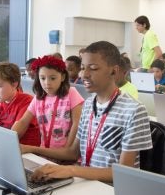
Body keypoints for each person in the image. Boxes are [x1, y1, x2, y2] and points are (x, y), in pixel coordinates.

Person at [21, 41, 152, 183]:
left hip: (112, 190)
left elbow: (125, 172)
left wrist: (70, 170)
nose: (84, 75)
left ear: (114, 71)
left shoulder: (133, 110)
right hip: (85, 182)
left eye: (93, 68)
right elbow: (72, 153)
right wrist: (32, 150)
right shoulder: (89, 104)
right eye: (83, 68)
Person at [12, 55, 84, 149]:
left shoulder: (71, 93)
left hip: (65, 153)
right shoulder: (38, 97)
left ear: (62, 77)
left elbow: (77, 124)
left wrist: (67, 149)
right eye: (42, 78)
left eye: (53, 78)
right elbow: (23, 121)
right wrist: (11, 140)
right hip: (45, 151)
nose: (47, 83)